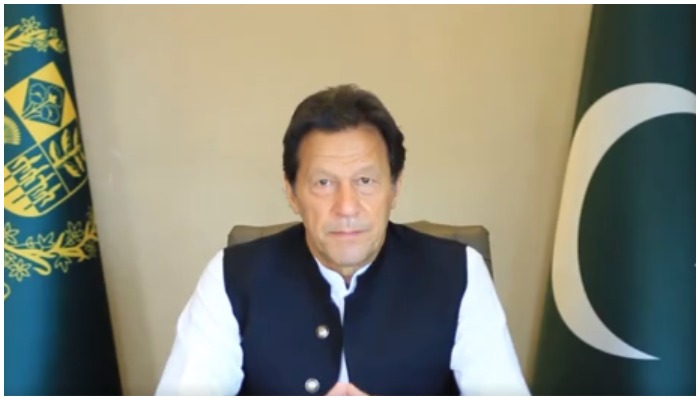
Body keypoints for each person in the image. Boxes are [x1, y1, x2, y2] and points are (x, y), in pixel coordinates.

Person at [156, 84, 530, 396]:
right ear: (292, 192)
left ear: (395, 188)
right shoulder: (231, 277)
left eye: (365, 181)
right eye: (324, 183)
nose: (347, 206)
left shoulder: (459, 273)